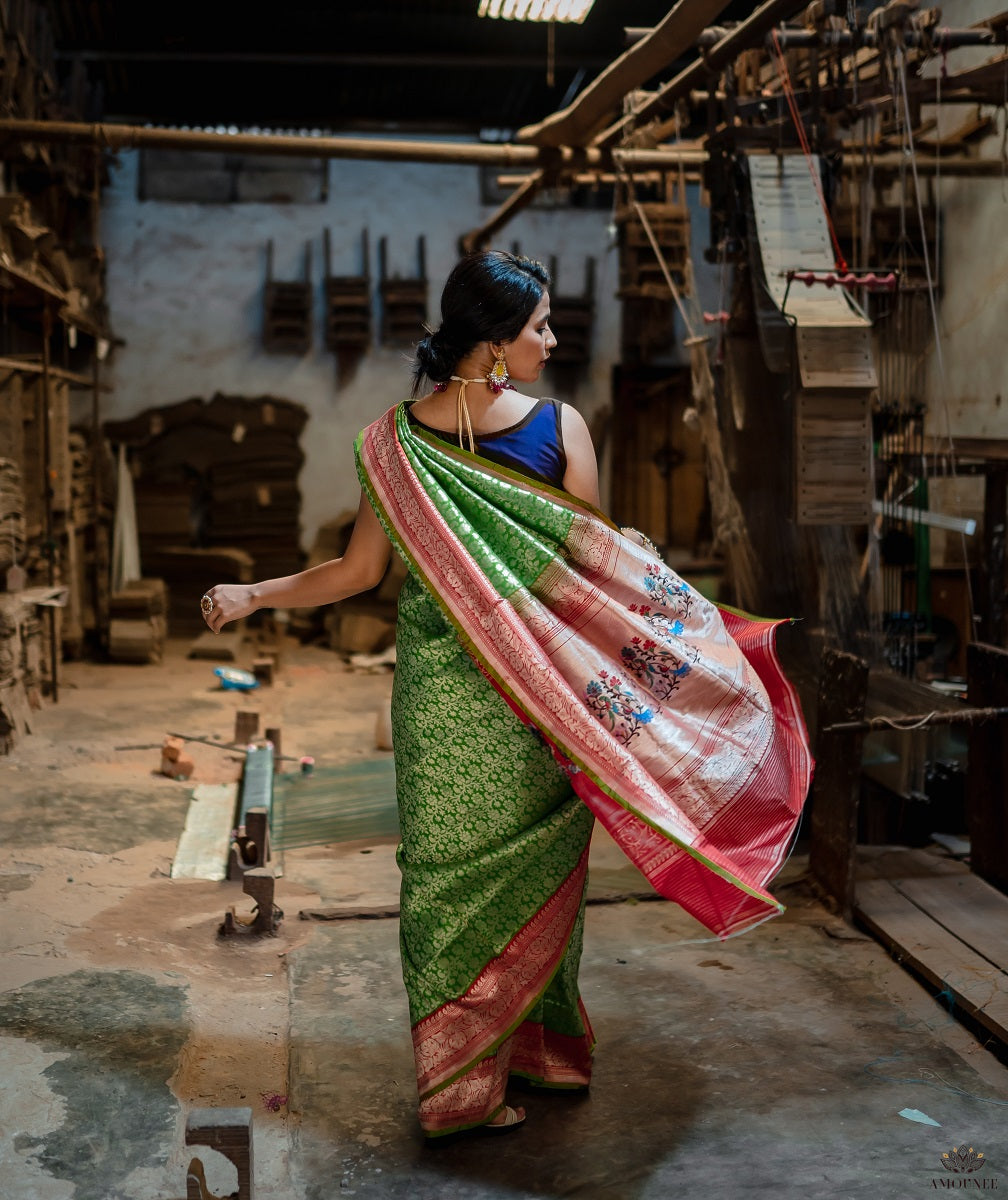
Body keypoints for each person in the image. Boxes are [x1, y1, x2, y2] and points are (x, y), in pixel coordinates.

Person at [200, 250, 812, 1143]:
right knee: (521, 877)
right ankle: (491, 1075)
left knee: (447, 883)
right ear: (492, 344)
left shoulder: (393, 440)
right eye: (539, 327)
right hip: (539, 702)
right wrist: (256, 594)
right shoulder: (551, 431)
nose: (552, 340)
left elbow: (357, 575)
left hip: (453, 702)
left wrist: (259, 593)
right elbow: (598, 582)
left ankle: (493, 1069)